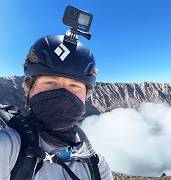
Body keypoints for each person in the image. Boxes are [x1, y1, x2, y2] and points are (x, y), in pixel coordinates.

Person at [0, 35, 114, 180]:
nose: (63, 94)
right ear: (28, 89)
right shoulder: (9, 147)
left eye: (74, 85)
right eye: (50, 82)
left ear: (86, 97)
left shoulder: (97, 166)